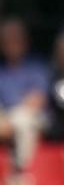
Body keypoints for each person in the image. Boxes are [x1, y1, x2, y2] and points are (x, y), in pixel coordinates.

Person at [0, 19, 49, 166]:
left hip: (34, 116)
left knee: (23, 120)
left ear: (26, 41)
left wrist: (9, 119)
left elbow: (36, 100)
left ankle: (21, 170)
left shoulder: (37, 66)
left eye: (16, 39)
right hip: (5, 117)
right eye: (7, 40)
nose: (12, 44)